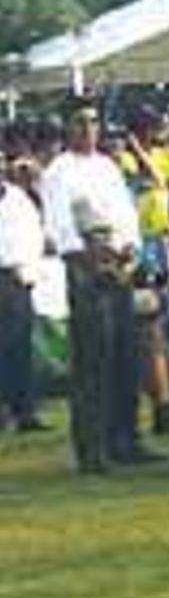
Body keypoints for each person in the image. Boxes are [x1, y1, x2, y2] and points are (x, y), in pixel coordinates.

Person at [41, 95, 162, 471]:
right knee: (93, 362)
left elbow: (126, 215)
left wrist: (129, 251)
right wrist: (92, 260)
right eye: (80, 122)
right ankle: (92, 448)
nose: (88, 129)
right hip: (87, 273)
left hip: (121, 267)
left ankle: (126, 437)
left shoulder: (108, 166)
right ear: (66, 126)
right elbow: (61, 230)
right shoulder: (59, 171)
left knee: (126, 356)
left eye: (93, 122)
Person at [118, 107, 169, 436]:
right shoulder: (124, 159)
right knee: (149, 316)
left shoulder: (168, 154)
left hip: (163, 237)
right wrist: (135, 149)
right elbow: (151, 178)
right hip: (141, 241)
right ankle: (159, 391)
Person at [0, 151, 50, 432]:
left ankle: (25, 410)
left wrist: (28, 271)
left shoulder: (17, 199)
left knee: (21, 347)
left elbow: (33, 233)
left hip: (19, 280)